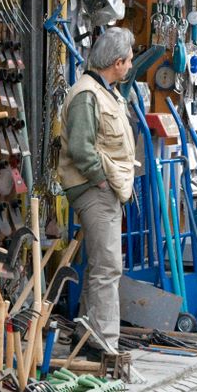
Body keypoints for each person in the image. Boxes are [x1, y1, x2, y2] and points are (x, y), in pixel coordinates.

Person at [57, 27, 137, 353]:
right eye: (129, 61)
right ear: (117, 62)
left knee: (99, 266)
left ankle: (87, 336)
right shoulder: (87, 94)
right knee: (108, 268)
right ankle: (105, 343)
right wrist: (101, 180)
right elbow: (81, 148)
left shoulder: (106, 91)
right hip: (94, 189)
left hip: (105, 187)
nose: (131, 66)